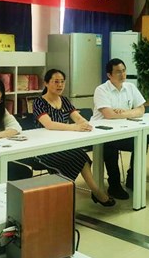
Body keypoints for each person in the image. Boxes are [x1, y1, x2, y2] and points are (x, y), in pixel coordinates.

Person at [33, 69, 114, 207]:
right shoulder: (39, 102)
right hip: (44, 148)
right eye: (56, 82)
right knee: (80, 157)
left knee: (81, 157)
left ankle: (83, 191)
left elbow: (77, 117)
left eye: (62, 82)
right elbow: (49, 124)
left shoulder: (64, 100)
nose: (60, 85)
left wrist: (84, 124)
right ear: (46, 83)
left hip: (63, 144)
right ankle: (94, 192)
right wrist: (74, 127)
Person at [92, 58, 145, 200]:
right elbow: (108, 115)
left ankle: (132, 178)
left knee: (141, 141)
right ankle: (114, 185)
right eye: (118, 72)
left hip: (122, 130)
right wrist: (131, 112)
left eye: (123, 71)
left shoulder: (130, 87)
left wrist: (124, 112)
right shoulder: (101, 90)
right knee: (110, 144)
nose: (122, 74)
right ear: (109, 75)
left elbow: (141, 109)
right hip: (101, 133)